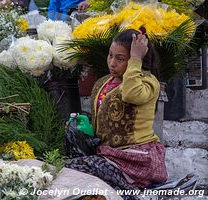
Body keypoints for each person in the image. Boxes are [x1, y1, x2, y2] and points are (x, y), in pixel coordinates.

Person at [65, 27, 168, 199]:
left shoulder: (148, 82)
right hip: (107, 155)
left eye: (120, 59)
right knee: (72, 168)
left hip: (135, 160)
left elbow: (131, 94)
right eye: (110, 55)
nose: (112, 63)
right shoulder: (103, 82)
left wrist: (135, 59)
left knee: (76, 169)